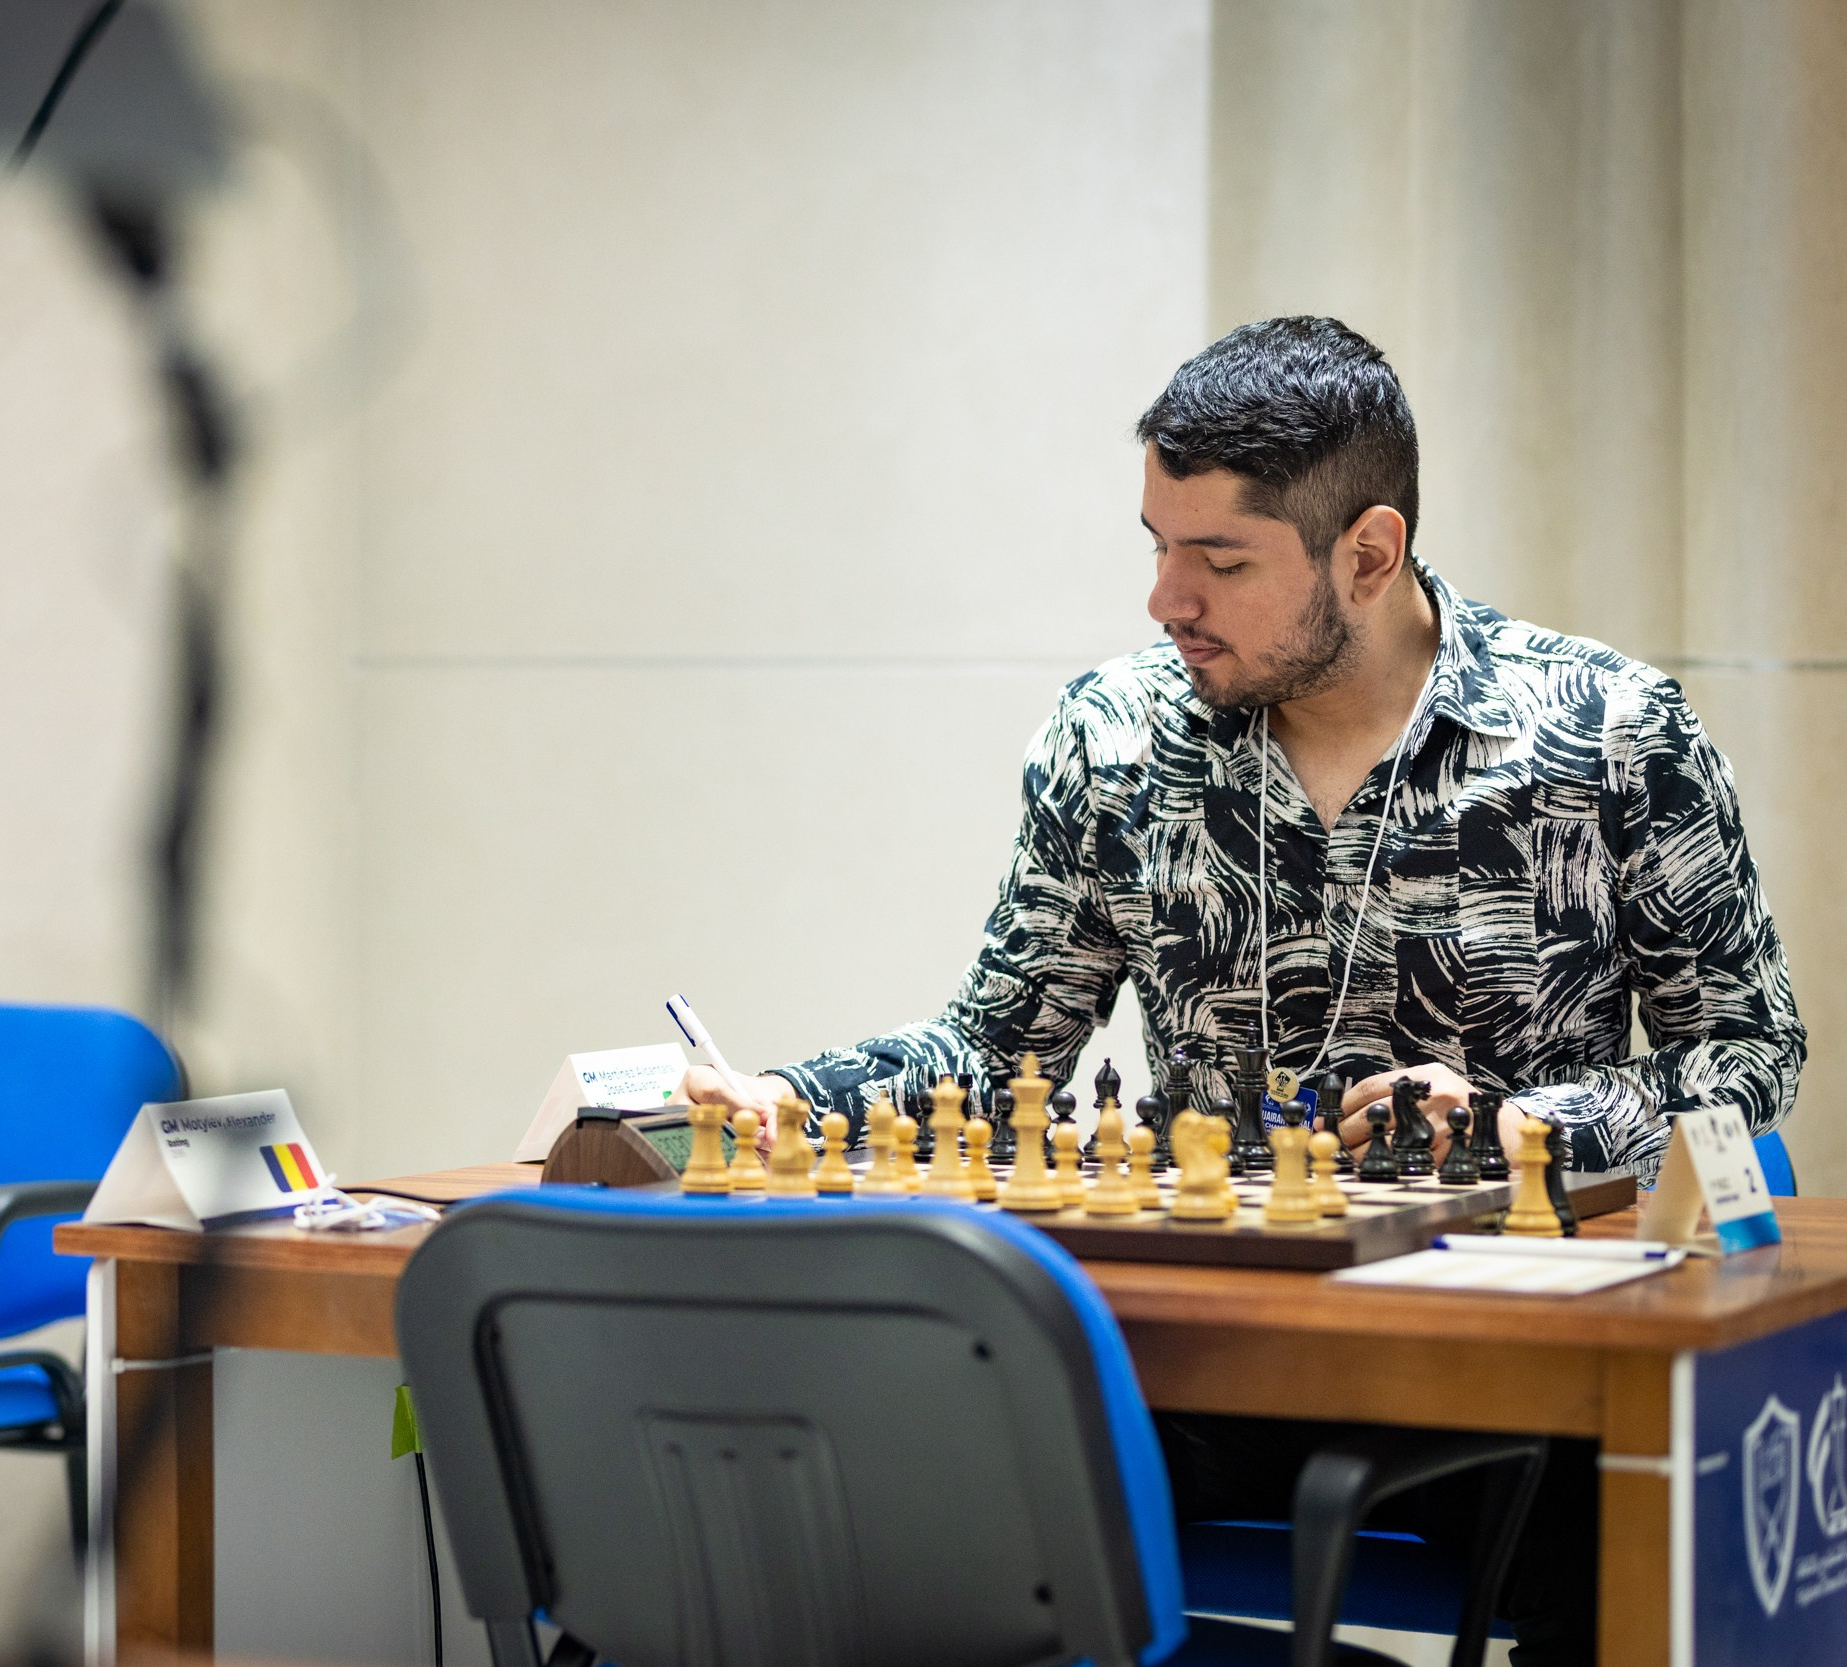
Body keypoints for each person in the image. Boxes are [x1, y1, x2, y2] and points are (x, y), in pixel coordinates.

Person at [683, 316, 1805, 1666]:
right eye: (1158, 547)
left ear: (1369, 555)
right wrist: (793, 1098)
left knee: (1637, 1527)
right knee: (923, 1461)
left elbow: (1746, 1053)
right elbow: (997, 1044)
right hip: (1210, 1348)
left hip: (1498, 1354)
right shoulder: (1115, 735)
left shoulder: (1608, 733)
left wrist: (1533, 1123)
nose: (1168, 601)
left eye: (1221, 562)